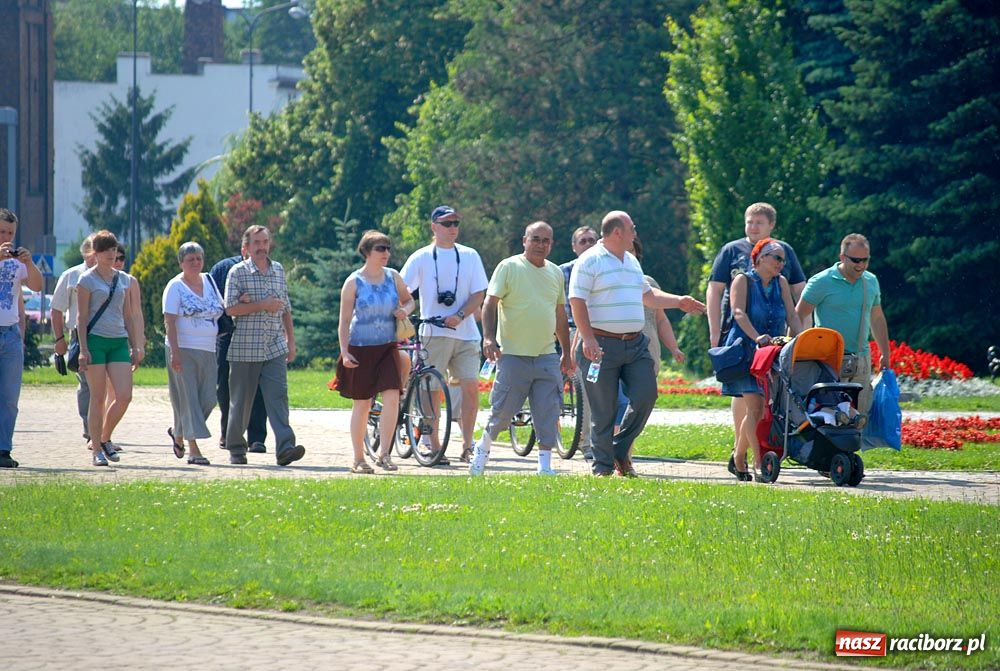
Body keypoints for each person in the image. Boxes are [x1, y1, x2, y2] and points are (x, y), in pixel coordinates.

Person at [569, 211, 706, 477]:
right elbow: (577, 301)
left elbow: (648, 296)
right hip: (600, 347)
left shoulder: (631, 261)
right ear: (618, 232)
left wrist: (679, 301)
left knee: (646, 395)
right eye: (632, 228)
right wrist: (587, 338)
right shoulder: (589, 261)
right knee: (604, 410)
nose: (635, 233)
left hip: (634, 345)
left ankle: (619, 448)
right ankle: (603, 468)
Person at [706, 203, 805, 479]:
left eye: (783, 260)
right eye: (776, 258)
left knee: (762, 409)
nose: (781, 264)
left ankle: (738, 457)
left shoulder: (781, 282)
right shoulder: (742, 281)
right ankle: (759, 462)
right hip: (748, 350)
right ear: (759, 258)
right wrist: (756, 337)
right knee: (756, 407)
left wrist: (800, 337)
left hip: (771, 351)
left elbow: (792, 314)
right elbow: (738, 313)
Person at [469, 221, 575, 476]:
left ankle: (545, 466)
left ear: (551, 244)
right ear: (524, 240)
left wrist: (567, 353)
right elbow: (490, 304)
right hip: (513, 355)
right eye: (535, 239)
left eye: (546, 240)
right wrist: (488, 338)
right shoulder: (509, 267)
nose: (540, 244)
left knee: (549, 410)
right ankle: (483, 447)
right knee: (503, 413)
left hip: (547, 355)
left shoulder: (555, 273)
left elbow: (560, 315)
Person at [400, 205, 488, 464]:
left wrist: (460, 316)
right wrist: (404, 308)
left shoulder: (470, 255)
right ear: (434, 227)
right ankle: (433, 443)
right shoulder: (421, 257)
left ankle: (468, 444)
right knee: (431, 389)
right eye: (447, 223)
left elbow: (478, 294)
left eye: (456, 223)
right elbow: (405, 289)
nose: (453, 228)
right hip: (433, 333)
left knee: (471, 387)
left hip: (466, 333)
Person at [223, 225, 305, 467]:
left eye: (265, 242)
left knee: (279, 397)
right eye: (256, 242)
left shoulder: (278, 269)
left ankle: (285, 447)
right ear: (246, 246)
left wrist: (291, 341)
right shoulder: (237, 272)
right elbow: (230, 309)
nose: (261, 247)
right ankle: (237, 448)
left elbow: (285, 308)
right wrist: (262, 304)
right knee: (241, 401)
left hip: (274, 346)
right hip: (245, 348)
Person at [334, 230, 415, 473]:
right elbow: (344, 321)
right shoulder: (353, 282)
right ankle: (358, 459)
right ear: (367, 252)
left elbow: (410, 300)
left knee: (391, 398)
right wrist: (345, 352)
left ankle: (385, 454)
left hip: (388, 347)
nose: (386, 254)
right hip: (361, 349)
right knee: (362, 404)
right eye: (381, 249)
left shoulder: (393, 277)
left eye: (388, 248)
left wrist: (406, 310)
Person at [796, 233, 891, 413]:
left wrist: (885, 353)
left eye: (865, 260)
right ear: (842, 257)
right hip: (829, 358)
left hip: (861, 358)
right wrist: (792, 354)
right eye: (856, 260)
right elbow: (798, 316)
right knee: (829, 415)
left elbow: (877, 318)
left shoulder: (870, 281)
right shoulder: (821, 281)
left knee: (860, 416)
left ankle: (857, 441)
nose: (861, 265)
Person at [77, 230, 144, 467]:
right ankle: (96, 448)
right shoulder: (86, 280)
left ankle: (105, 437)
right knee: (98, 397)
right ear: (94, 253)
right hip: (95, 341)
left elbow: (129, 315)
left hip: (118, 341)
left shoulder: (123, 280)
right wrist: (83, 349)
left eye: (113, 249)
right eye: (105, 250)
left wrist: (137, 345)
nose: (110, 254)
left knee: (124, 396)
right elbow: (81, 317)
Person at [163, 241, 224, 466]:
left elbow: (221, 308)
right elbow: (169, 321)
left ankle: (178, 431)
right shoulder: (174, 287)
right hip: (183, 348)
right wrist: (175, 353)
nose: (196, 263)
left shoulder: (209, 281)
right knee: (188, 400)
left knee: (208, 399)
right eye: (190, 259)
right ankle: (193, 450)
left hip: (208, 349)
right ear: (181, 263)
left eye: (199, 258)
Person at [210, 244, 268, 454]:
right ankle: (228, 432)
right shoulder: (223, 268)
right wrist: (235, 302)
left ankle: (257, 438)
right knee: (225, 386)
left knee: (258, 386)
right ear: (244, 248)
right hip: (228, 334)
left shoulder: (268, 269)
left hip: (257, 334)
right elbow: (213, 301)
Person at [0, 208, 44, 468]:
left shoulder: (17, 264)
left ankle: (3, 449)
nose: (6, 237)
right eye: (2, 232)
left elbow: (37, 286)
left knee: (9, 398)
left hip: (11, 335)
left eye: (10, 233)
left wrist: (29, 263)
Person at [51, 234, 96, 441]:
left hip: (106, 334)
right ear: (86, 254)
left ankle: (102, 431)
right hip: (79, 335)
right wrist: (59, 340)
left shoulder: (113, 277)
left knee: (106, 385)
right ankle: (90, 426)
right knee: (87, 383)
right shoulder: (71, 276)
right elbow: (57, 310)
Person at [101, 243, 146, 452]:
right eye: (114, 257)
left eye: (121, 258)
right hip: (101, 338)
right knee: (105, 391)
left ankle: (104, 435)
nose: (117, 261)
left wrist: (139, 342)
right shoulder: (97, 278)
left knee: (119, 392)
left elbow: (135, 313)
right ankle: (100, 436)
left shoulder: (129, 281)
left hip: (122, 339)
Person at [559, 226, 598, 460]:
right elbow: (560, 307)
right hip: (569, 329)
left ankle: (592, 440)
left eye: (591, 240)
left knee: (593, 390)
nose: (587, 245)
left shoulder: (604, 268)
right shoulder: (563, 271)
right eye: (582, 241)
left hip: (599, 331)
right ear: (574, 247)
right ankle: (581, 442)